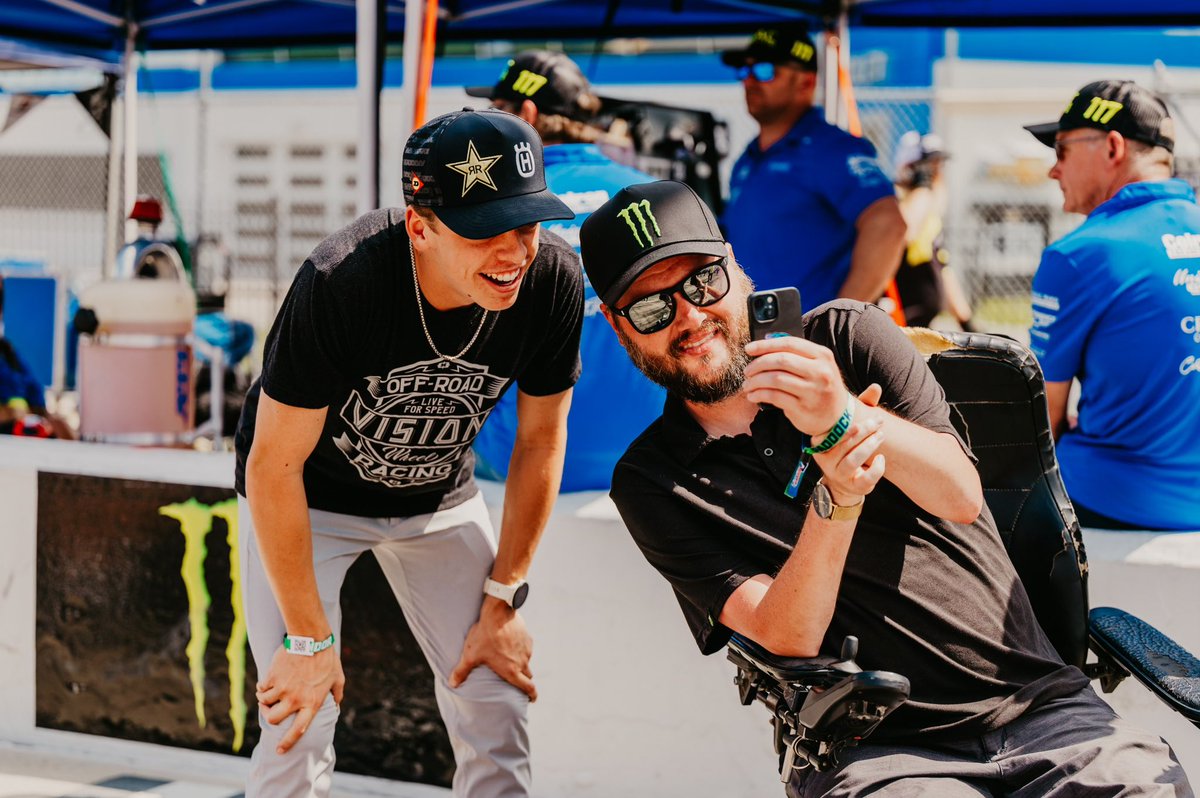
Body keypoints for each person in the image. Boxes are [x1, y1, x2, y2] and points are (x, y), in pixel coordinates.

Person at [577, 179, 1191, 796]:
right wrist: (837, 499)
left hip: (1040, 707)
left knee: (1146, 785)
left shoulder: (848, 338)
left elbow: (959, 492)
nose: (689, 315)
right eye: (652, 307)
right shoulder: (653, 480)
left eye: (701, 281)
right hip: (879, 751)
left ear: (736, 268)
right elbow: (786, 635)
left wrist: (843, 416)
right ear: (617, 324)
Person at [233, 108, 583, 797]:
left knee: (496, 695)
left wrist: (504, 599)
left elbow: (542, 440)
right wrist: (308, 643)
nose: (514, 252)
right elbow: (273, 465)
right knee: (300, 712)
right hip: (311, 499)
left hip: (436, 501)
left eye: (528, 224)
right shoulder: (343, 280)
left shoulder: (551, 283)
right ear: (420, 227)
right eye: (487, 231)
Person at [466, 50, 665, 491]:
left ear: (528, 115)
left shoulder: (493, 211)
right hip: (653, 455)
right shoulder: (657, 198)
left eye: (496, 114)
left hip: (526, 459)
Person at [1024, 79, 1200, 531]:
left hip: (1114, 502)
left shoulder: (1082, 253)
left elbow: (1042, 419)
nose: (1053, 170)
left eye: (1061, 150)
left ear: (1114, 147)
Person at [719, 26, 906, 309]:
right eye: (744, 71)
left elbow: (888, 224)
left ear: (805, 82)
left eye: (765, 70)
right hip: (753, 338)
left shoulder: (830, 149)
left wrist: (840, 322)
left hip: (807, 342)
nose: (749, 81)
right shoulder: (748, 158)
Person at [891, 130, 975, 329]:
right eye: (930, 168)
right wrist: (922, 191)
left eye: (939, 166)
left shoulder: (929, 214)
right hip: (898, 318)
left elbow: (941, 267)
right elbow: (904, 232)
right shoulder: (898, 204)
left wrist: (966, 322)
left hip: (921, 321)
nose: (938, 174)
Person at [0, 274, 74, 439]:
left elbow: (38, 405)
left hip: (22, 439)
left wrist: (54, 424)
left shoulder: (9, 354)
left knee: (61, 426)